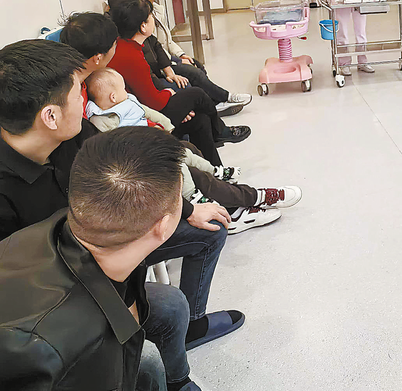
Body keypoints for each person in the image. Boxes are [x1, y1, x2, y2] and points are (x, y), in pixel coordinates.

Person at [0, 39, 244, 351]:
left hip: (110, 251)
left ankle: (191, 327)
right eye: (77, 95)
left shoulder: (75, 134)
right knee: (168, 311)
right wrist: (117, 300)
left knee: (209, 231)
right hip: (60, 302)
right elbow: (24, 293)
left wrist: (186, 209)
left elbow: (129, 171)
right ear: (50, 116)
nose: (84, 103)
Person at [0, 127, 203, 391]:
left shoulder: (68, 226)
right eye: (180, 198)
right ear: (163, 227)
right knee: (150, 362)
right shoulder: (75, 351)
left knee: (170, 307)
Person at [85, 67, 302, 234]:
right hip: (140, 163)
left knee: (191, 142)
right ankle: (248, 202)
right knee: (190, 169)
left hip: (152, 143)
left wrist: (165, 127)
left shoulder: (113, 96)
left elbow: (149, 108)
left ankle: (225, 187)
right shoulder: (100, 119)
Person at [108, 0, 250, 166]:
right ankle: (219, 131)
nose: (153, 19)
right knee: (196, 94)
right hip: (144, 118)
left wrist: (179, 105)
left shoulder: (125, 46)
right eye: (150, 16)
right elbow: (153, 102)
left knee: (200, 120)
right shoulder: (131, 56)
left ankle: (215, 170)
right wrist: (170, 95)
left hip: (144, 110)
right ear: (143, 26)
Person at [116, 0, 252, 116]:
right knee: (191, 76)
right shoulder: (137, 23)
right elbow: (151, 61)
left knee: (196, 65)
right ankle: (221, 100)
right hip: (160, 66)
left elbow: (162, 43)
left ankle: (215, 102)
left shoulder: (154, 11)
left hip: (164, 60)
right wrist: (171, 67)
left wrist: (180, 55)